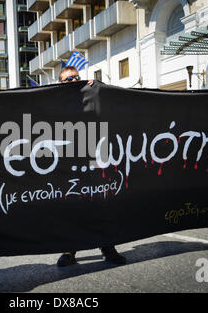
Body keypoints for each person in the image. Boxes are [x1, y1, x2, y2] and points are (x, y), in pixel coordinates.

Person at [56, 66, 127, 266]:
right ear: (60, 83)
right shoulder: (54, 100)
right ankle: (69, 251)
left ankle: (107, 247)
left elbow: (112, 101)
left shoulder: (91, 92)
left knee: (100, 201)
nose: (73, 81)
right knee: (73, 204)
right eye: (68, 79)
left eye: (76, 78)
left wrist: (97, 87)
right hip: (69, 158)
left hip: (95, 155)